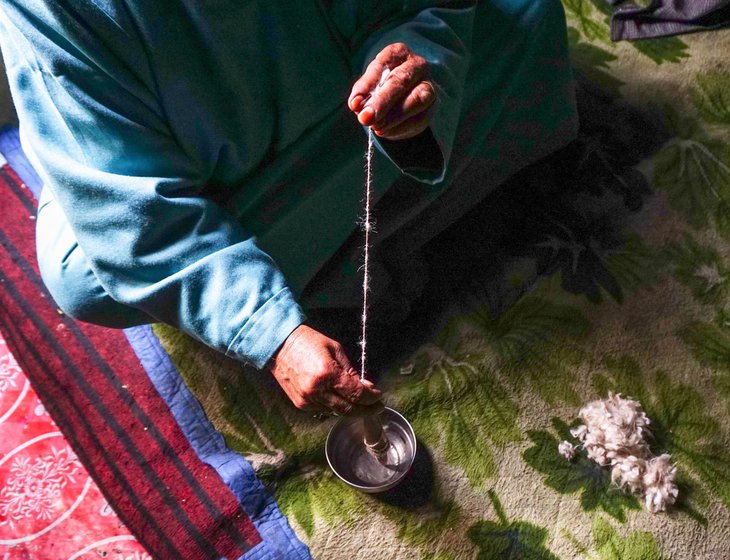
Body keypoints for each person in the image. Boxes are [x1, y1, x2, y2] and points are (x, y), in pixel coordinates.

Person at [0, 0, 577, 416]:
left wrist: (408, 72)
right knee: (83, 275)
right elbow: (121, 199)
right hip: (167, 147)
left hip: (335, 83)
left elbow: (420, 13)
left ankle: (285, 247)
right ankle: (318, 242)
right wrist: (271, 332)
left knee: (527, 17)